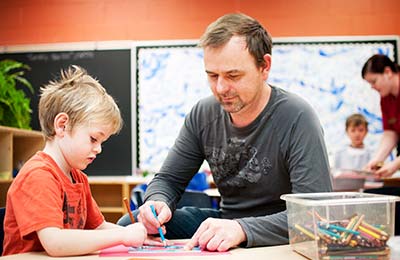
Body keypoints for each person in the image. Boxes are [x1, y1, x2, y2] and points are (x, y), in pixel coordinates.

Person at [118, 13, 332, 251]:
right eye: (212, 75)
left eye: (233, 76)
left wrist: (242, 229)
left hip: (281, 226)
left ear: (265, 66)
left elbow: (315, 215)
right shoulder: (203, 113)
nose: (221, 88)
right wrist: (157, 203)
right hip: (226, 220)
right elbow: (168, 179)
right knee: (132, 223)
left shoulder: (298, 117)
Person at [2, 66, 159, 256]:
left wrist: (138, 234)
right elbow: (55, 243)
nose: (99, 149)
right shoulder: (38, 175)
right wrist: (123, 236)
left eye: (102, 142)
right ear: (62, 125)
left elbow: (98, 227)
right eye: (93, 139)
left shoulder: (78, 178)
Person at [362, 54, 400, 178]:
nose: (372, 87)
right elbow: (390, 132)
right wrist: (377, 160)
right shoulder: (386, 99)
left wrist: (396, 163)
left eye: (374, 81)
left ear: (388, 72)